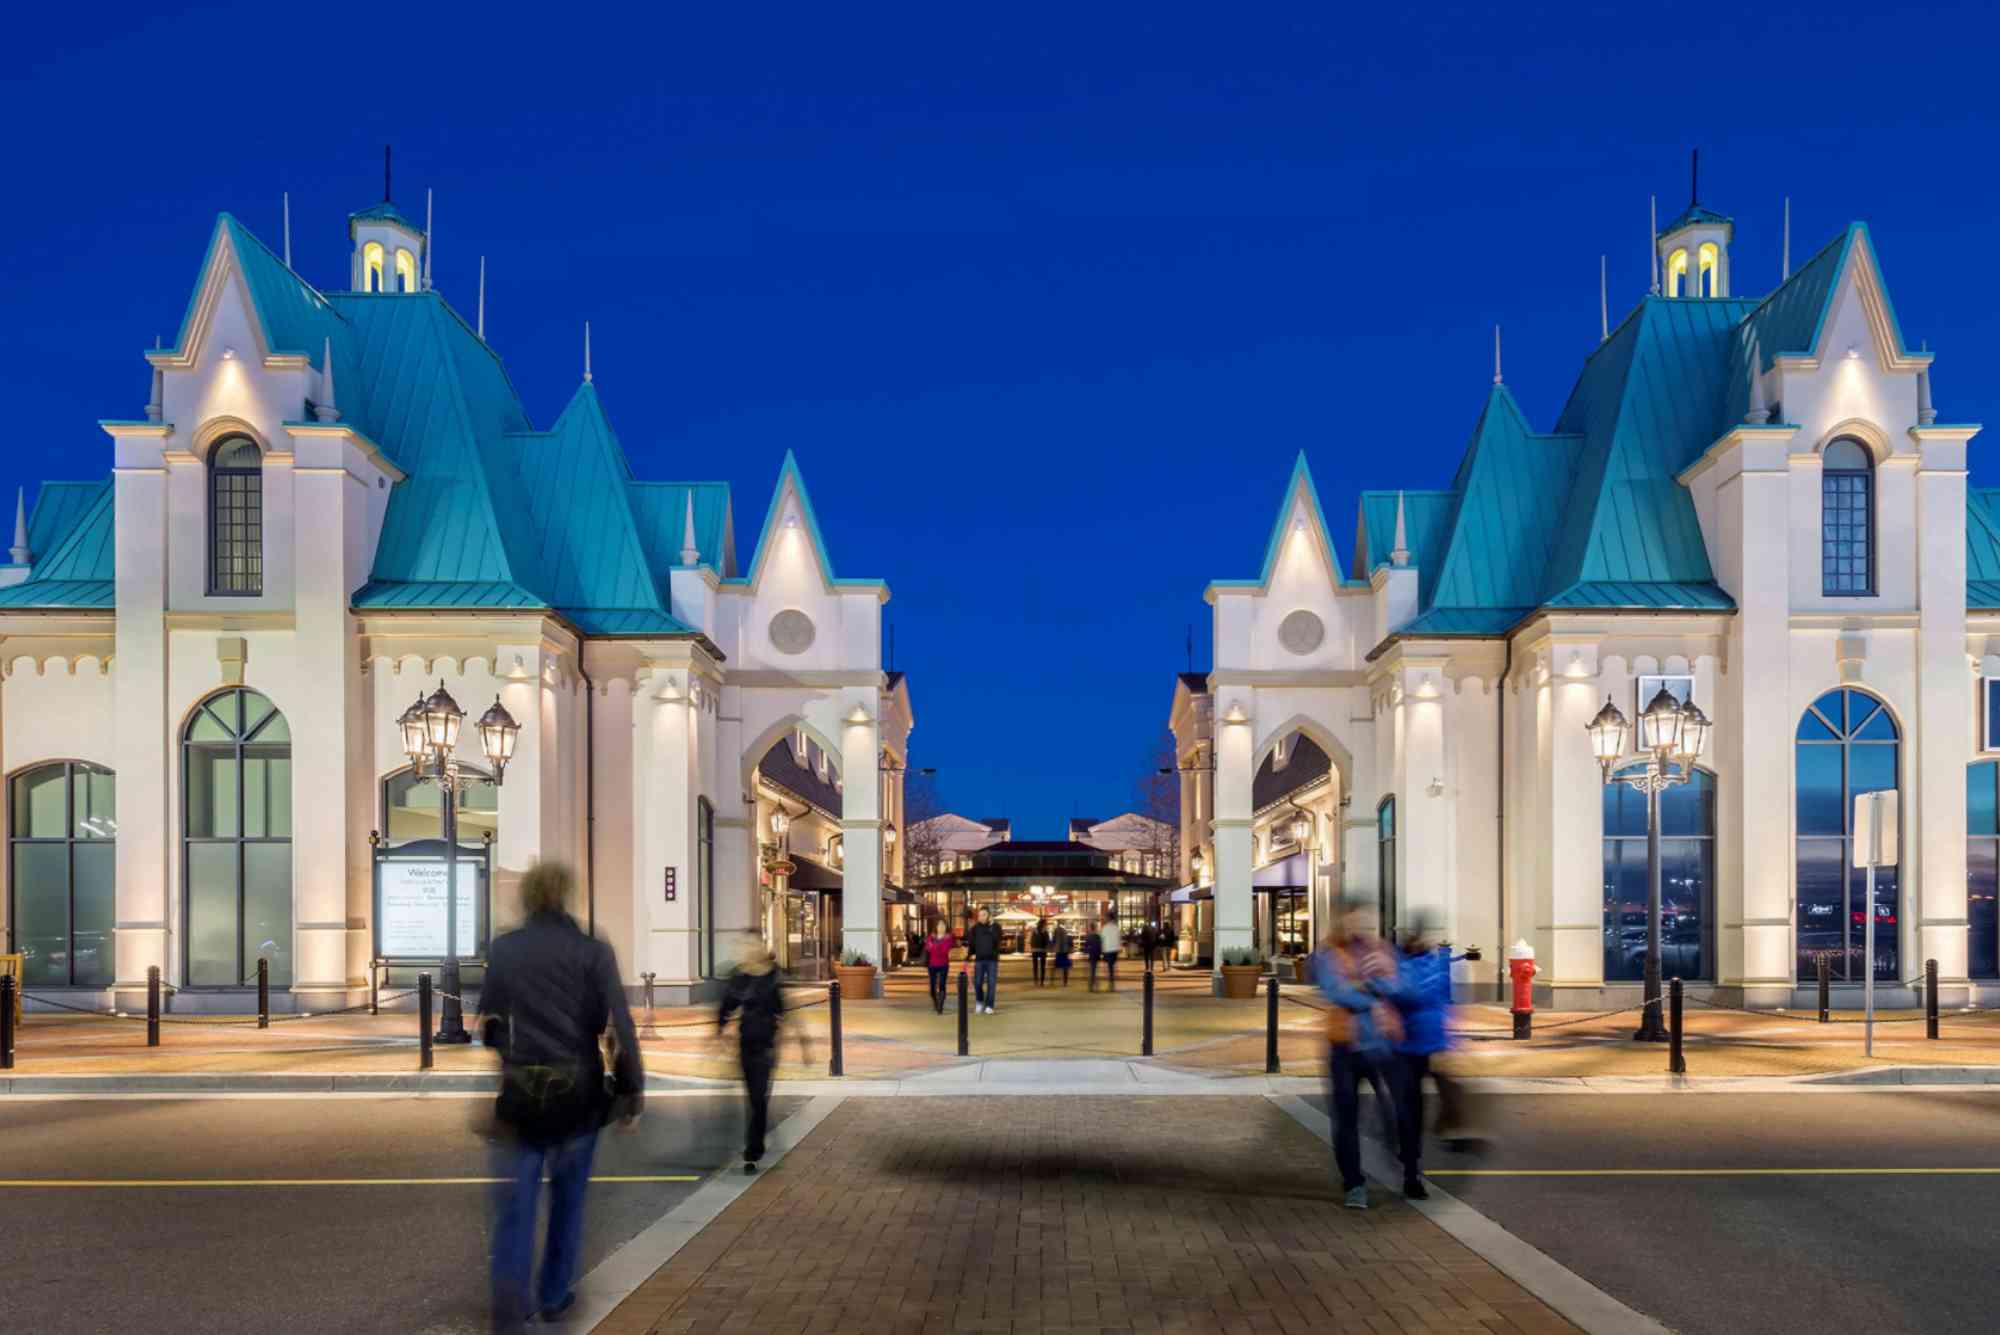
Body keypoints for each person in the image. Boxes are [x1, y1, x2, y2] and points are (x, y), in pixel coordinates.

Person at [479, 861, 642, 1333]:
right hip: (579, 1095)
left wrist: (508, 1055)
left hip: (521, 1094)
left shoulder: (506, 949)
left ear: (527, 897)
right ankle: (553, 1294)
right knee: (568, 1204)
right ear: (567, 895)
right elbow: (620, 1026)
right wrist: (630, 1091)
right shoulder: (592, 950)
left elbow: (490, 1024)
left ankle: (509, 1311)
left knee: (515, 1211)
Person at [1314, 905, 1402, 1211]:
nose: (1363, 925)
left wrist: (1363, 985)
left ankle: (1397, 1154)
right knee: (1346, 1120)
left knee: (1395, 1110)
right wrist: (1370, 994)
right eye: (1357, 920)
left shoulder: (1383, 951)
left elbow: (1395, 985)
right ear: (1345, 922)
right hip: (1344, 1048)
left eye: (1368, 920)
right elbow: (1335, 992)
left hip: (1381, 1046)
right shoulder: (1329, 954)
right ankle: (1354, 1184)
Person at [1390, 917, 1481, 1193]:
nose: (1423, 940)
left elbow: (1444, 1004)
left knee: (1447, 1099)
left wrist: (1450, 1043)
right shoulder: (1398, 967)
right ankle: (1411, 1170)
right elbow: (1404, 998)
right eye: (1418, 935)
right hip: (1404, 1049)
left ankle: (1443, 1135)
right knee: (1411, 1112)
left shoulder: (1433, 965)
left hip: (1432, 1045)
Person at [718, 931, 803, 1175]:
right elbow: (726, 1006)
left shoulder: (772, 976)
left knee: (758, 1098)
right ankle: (756, 1142)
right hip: (746, 1044)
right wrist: (720, 1030)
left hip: (767, 1045)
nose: (746, 949)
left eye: (751, 944)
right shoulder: (740, 977)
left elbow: (784, 1009)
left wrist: (802, 1042)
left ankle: (753, 1151)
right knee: (753, 1098)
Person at [967, 907, 1002, 1014]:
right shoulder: (975, 928)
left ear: (989, 916)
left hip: (992, 960)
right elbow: (972, 943)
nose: (981, 917)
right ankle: (979, 1001)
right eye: (980, 915)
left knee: (991, 983)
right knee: (977, 983)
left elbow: (997, 940)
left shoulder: (996, 927)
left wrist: (991, 926)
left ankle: (989, 1005)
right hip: (979, 960)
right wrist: (968, 955)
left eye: (984, 915)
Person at [923, 921, 954, 1013]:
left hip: (943, 964)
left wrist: (933, 947)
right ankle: (936, 1002)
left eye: (943, 925)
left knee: (942, 984)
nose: (941, 927)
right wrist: (938, 947)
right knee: (932, 987)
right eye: (939, 925)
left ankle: (940, 1005)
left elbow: (944, 951)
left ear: (946, 927)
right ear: (936, 927)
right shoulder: (931, 937)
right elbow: (928, 948)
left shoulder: (949, 938)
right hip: (932, 965)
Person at [1098, 909, 1122, 992]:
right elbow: (1119, 939)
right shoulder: (1116, 928)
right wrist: (1119, 948)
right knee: (1111, 967)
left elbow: (1102, 939)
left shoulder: (1105, 928)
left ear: (1108, 918)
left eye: (1106, 917)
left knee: (1109, 967)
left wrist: (1101, 950)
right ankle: (1112, 983)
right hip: (1114, 950)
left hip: (1107, 950)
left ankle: (1111, 983)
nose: (1105, 919)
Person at [1029, 918, 1052, 987]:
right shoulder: (1045, 931)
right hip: (1042, 950)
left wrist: (1032, 947)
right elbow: (1048, 941)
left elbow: (1031, 940)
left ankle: (1035, 980)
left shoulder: (1034, 930)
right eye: (1045, 924)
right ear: (1043, 924)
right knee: (1042, 967)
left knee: (1035, 966)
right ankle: (1042, 982)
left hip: (1034, 950)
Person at [1083, 914, 1103, 990]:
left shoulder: (1088, 937)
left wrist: (1086, 951)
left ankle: (1091, 985)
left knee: (1092, 970)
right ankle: (1093, 984)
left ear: (1091, 928)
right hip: (1096, 955)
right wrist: (1100, 953)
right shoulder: (1098, 936)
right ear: (1095, 928)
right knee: (1093, 970)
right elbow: (1100, 946)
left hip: (1091, 955)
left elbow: (1086, 947)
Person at [1052, 922, 1073, 986]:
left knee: (1056, 966)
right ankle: (1065, 982)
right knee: (1065, 967)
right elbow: (1068, 942)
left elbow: (1053, 941)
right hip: (1064, 951)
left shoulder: (1056, 931)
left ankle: (1052, 980)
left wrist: (1053, 948)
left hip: (1058, 951)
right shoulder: (1065, 931)